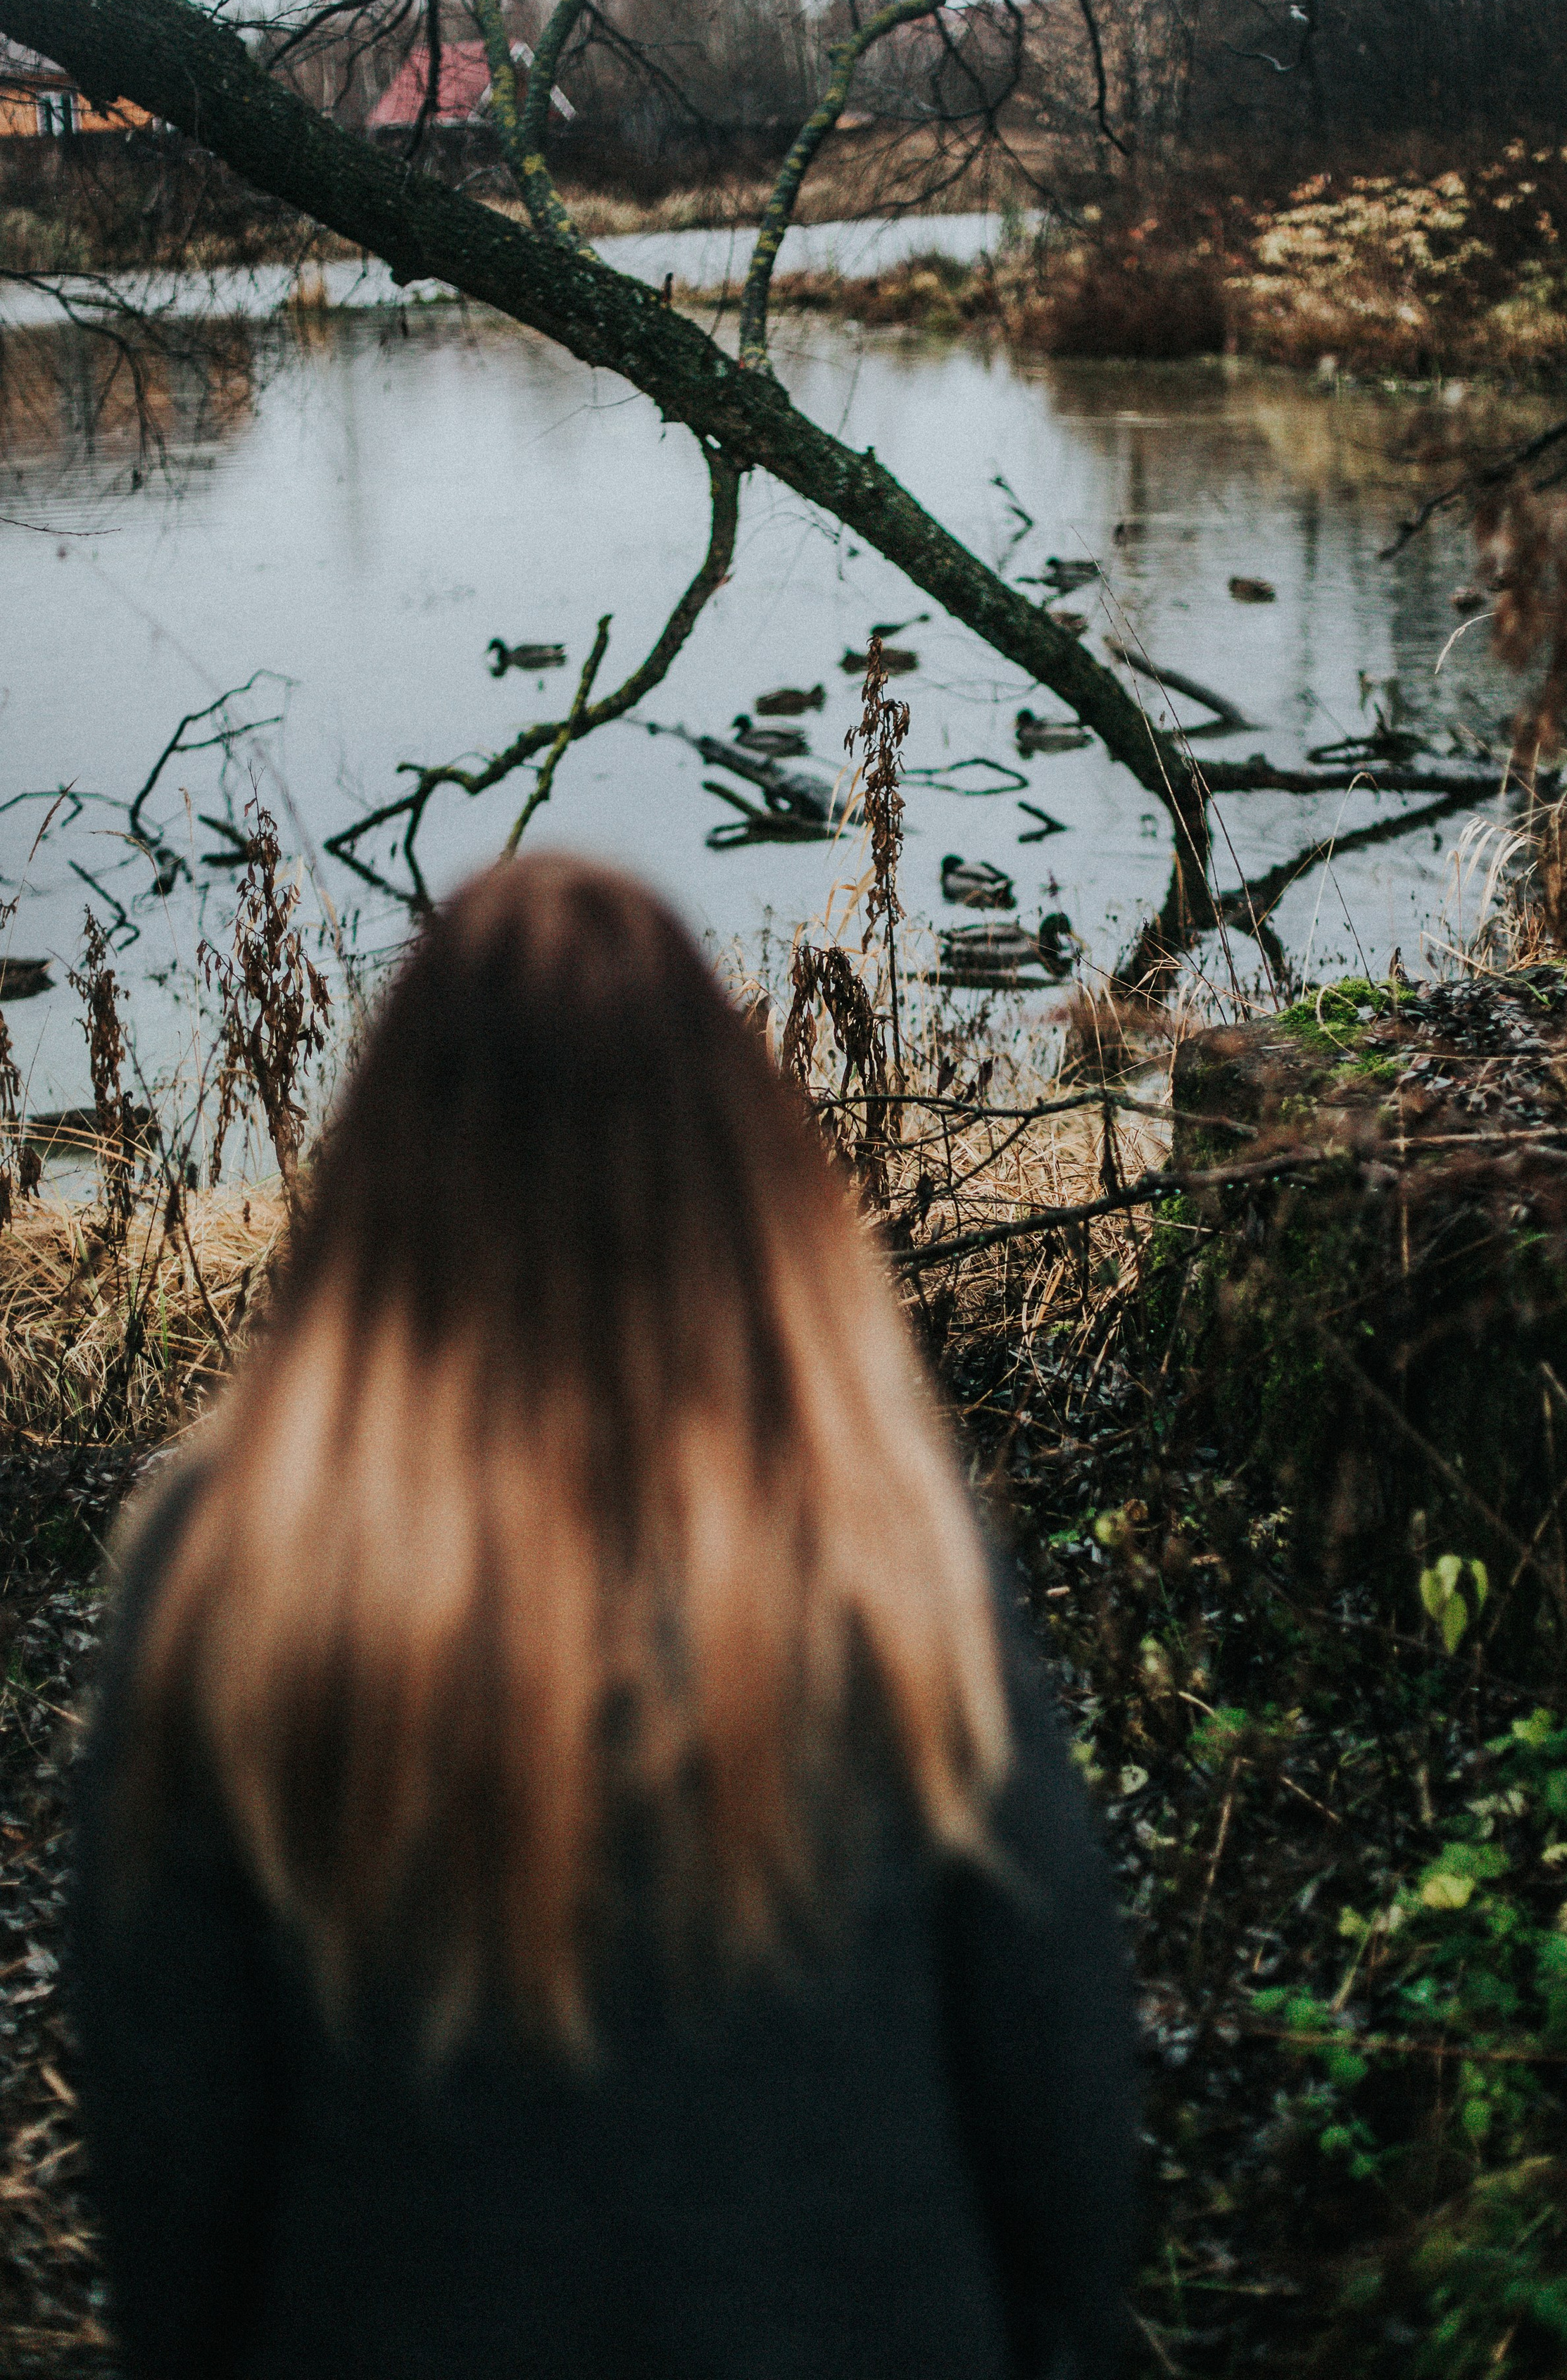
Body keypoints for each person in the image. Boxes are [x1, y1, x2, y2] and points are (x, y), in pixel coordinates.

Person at [69, 855, 1137, 2380]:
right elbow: (1064, 2124)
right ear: (741, 1179)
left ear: (385, 1181)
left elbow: (171, 2172)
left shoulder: (232, 1571)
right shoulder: (885, 1557)